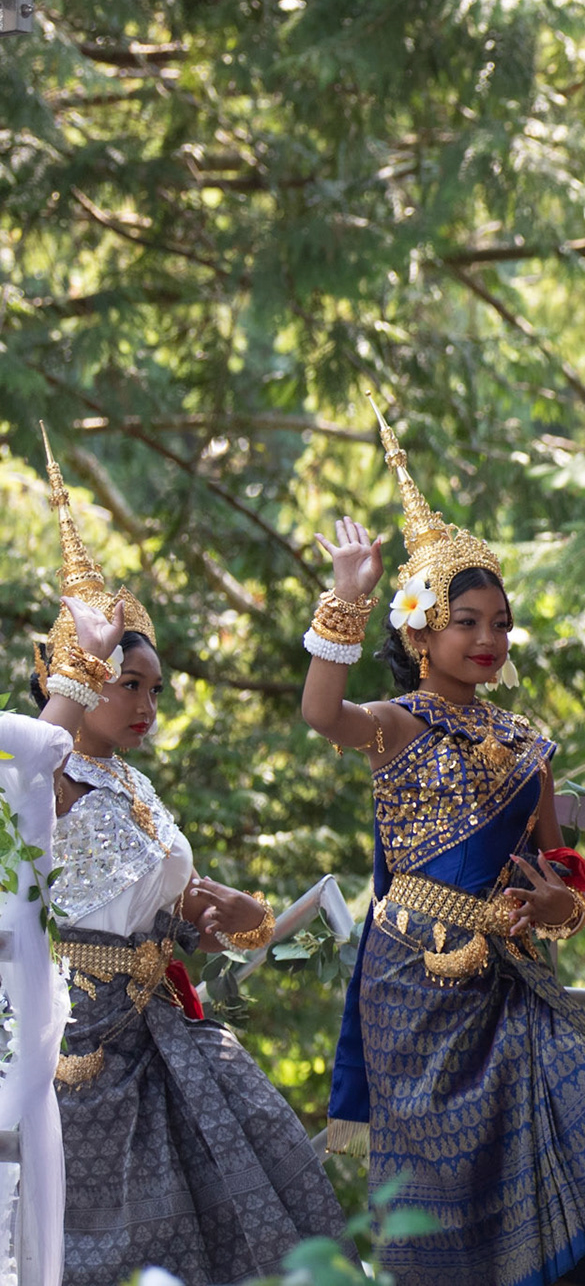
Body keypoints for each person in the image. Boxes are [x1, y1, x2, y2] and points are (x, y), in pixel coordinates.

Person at [306, 401, 585, 1286]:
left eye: (500, 623)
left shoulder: (527, 745)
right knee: (440, 1191)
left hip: (509, 973)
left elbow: (562, 881)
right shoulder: (394, 724)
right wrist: (345, 598)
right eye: (467, 621)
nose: (489, 639)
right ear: (420, 630)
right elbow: (320, 710)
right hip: (412, 978)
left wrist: (559, 905)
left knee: (579, 1066)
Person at [27, 429, 348, 1286]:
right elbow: (20, 786)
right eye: (126, 683)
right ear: (77, 679)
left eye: (154, 689)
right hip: (85, 1040)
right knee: (120, 1238)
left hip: (164, 1025)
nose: (145, 703)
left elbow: (165, 913)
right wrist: (79, 666)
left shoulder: (133, 782)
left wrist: (228, 917)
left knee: (273, 1177)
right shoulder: (47, 773)